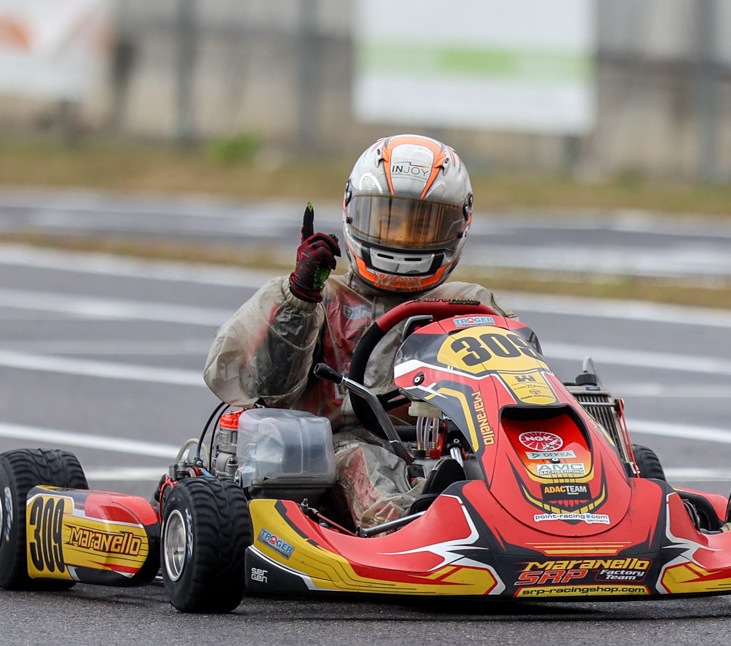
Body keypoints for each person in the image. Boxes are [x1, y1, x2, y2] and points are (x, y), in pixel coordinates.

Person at [203, 134, 514, 527]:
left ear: (458, 226)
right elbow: (253, 386)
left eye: (420, 225)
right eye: (388, 220)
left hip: (442, 447)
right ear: (352, 212)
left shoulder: (469, 303)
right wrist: (297, 301)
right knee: (363, 458)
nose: (401, 239)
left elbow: (517, 381)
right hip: (332, 453)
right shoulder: (319, 297)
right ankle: (410, 526)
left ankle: (555, 512)